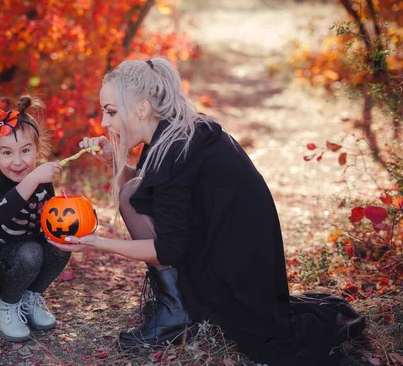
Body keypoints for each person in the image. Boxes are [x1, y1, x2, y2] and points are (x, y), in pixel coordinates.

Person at [49, 57, 365, 365]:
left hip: (236, 271)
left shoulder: (175, 149)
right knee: (130, 192)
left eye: (111, 112)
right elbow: (147, 190)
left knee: (130, 195)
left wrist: (94, 242)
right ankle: (178, 305)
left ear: (142, 108)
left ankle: (178, 311)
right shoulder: (174, 132)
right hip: (228, 250)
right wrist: (114, 161)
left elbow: (168, 249)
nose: (104, 122)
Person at [0, 96, 70, 342]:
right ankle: (5, 308)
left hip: (26, 258)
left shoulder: (43, 184)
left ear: (37, 151)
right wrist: (33, 179)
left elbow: (44, 223)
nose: (17, 161)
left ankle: (30, 297)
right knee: (30, 252)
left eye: (26, 151)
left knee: (61, 244)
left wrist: (63, 217)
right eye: (7, 152)